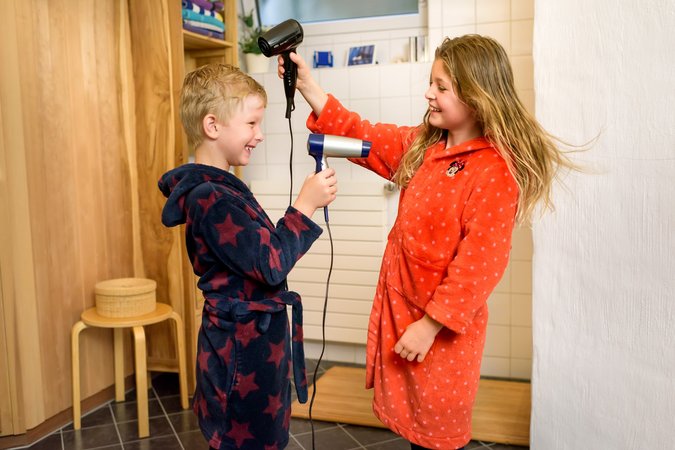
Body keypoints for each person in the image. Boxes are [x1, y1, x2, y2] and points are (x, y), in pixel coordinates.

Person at [278, 34, 576, 450]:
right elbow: (363, 134)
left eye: (441, 87)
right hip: (405, 315)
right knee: (414, 429)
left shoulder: (492, 172)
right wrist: (308, 86)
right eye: (430, 83)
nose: (428, 94)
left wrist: (429, 326)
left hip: (438, 332)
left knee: (437, 435)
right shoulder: (424, 146)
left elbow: (479, 266)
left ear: (476, 96)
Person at [158, 63, 337, 450]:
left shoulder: (225, 187)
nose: (260, 134)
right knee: (244, 439)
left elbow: (260, 253)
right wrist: (303, 208)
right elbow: (271, 264)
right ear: (213, 126)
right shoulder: (209, 196)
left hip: (256, 346)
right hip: (240, 353)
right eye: (252, 123)